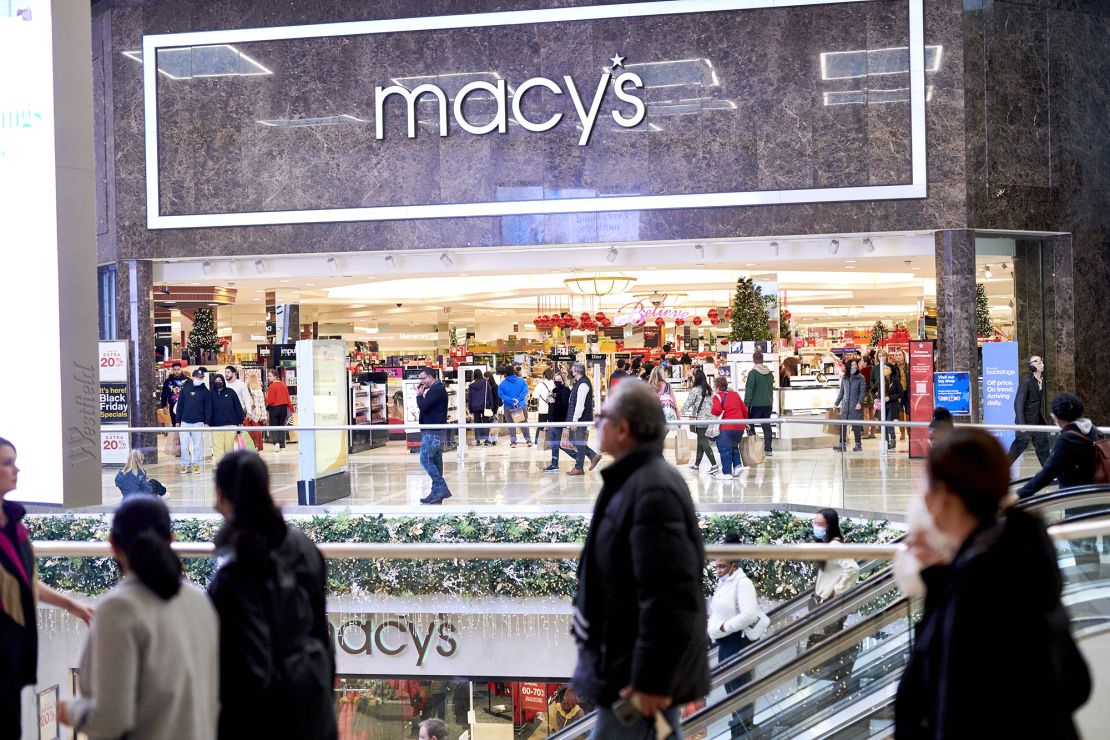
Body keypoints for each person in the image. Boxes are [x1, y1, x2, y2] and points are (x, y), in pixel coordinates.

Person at [894, 429, 1090, 738]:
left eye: (925, 485)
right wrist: (941, 579)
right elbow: (1076, 684)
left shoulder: (978, 583)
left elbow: (945, 706)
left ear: (944, 495)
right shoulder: (1022, 555)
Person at [571, 380, 710, 738]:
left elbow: (669, 594)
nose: (595, 423)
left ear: (623, 428)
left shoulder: (652, 489)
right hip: (627, 666)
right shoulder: (635, 480)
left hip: (636, 676)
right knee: (661, 734)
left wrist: (651, 680)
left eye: (602, 416)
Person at [59, 497, 219, 740]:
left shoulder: (118, 609)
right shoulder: (200, 603)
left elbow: (111, 719)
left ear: (112, 544)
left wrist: (69, 711)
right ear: (170, 540)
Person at [207, 451, 337, 740]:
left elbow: (243, 674)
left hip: (265, 718)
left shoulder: (234, 574)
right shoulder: (303, 546)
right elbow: (322, 633)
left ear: (219, 495)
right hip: (313, 705)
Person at [1, 438, 94, 738]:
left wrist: (71, 605)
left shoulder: (14, 523)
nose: (16, 469)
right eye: (6, 463)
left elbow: (24, 582)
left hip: (13, 650)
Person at [708, 532, 764, 735]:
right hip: (725, 647)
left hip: (737, 644)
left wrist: (724, 627)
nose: (718, 570)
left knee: (740, 694)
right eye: (716, 566)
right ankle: (740, 732)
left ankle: (743, 733)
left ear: (733, 564)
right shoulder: (724, 583)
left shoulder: (743, 583)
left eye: (722, 566)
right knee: (732, 695)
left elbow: (749, 614)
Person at [1017, 392, 1102, 498]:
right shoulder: (1093, 430)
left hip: (1077, 500)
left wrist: (1018, 495)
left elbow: (1048, 473)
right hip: (1099, 494)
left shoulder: (1067, 439)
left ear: (1058, 417)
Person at [416, 368, 452, 505]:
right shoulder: (436, 389)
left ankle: (441, 487)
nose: (421, 382)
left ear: (430, 377)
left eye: (423, 378)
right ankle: (435, 492)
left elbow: (423, 406)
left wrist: (419, 395)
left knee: (425, 459)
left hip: (433, 431)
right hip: (435, 430)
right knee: (436, 462)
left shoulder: (436, 390)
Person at [1007, 355, 1051, 465]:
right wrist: (1021, 424)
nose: (1042, 365)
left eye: (1042, 362)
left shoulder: (1042, 381)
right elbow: (1018, 403)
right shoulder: (1026, 382)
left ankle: (1049, 475)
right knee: (1018, 447)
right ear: (1032, 366)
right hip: (1025, 422)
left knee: (1043, 449)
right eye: (1039, 362)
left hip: (1038, 422)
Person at [812, 509, 860, 603]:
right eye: (815, 523)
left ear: (830, 526)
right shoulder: (828, 544)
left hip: (827, 602)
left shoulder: (834, 545)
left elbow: (853, 568)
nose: (816, 527)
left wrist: (838, 591)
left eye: (820, 524)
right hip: (821, 599)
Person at [563, 362, 601, 476]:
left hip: (580, 418)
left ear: (577, 371)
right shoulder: (579, 383)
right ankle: (593, 456)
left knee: (578, 441)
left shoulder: (583, 384)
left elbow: (580, 405)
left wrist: (575, 421)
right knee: (575, 440)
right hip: (578, 418)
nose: (571, 371)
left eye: (573, 369)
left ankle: (579, 467)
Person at [681, 367, 718, 474]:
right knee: (700, 442)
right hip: (710, 419)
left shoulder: (695, 390)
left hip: (700, 420)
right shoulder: (709, 389)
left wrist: (679, 415)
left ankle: (714, 465)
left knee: (704, 442)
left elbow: (688, 404)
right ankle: (697, 465)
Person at [712, 375, 748, 480]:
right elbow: (744, 409)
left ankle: (726, 473)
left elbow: (717, 411)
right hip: (739, 426)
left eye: (714, 387)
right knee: (733, 446)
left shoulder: (717, 396)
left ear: (717, 387)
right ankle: (737, 466)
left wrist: (713, 409)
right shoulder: (735, 394)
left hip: (726, 426)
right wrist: (746, 422)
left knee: (724, 448)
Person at [177, 368, 212, 474]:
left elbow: (208, 407)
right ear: (193, 377)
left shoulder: (205, 391)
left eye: (201, 377)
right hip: (185, 421)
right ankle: (185, 464)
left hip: (198, 422)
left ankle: (196, 464)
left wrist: (207, 422)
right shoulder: (185, 389)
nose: (199, 379)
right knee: (184, 445)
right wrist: (178, 420)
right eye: (197, 377)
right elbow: (180, 405)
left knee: (197, 445)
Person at [744, 351, 775, 457]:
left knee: (751, 425)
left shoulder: (753, 373)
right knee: (766, 426)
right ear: (762, 360)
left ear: (753, 360)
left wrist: (746, 403)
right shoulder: (769, 373)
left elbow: (749, 390)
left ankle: (754, 449)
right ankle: (768, 449)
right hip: (768, 404)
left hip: (755, 405)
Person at [543, 371, 575, 472]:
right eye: (555, 380)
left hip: (560, 420)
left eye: (558, 380)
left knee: (561, 444)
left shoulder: (566, 391)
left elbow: (565, 406)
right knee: (554, 444)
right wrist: (549, 400)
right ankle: (554, 464)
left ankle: (578, 457)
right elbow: (552, 405)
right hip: (552, 420)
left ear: (563, 381)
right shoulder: (554, 390)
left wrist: (555, 401)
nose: (556, 381)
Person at [870, 351, 902, 451]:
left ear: (891, 370)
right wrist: (874, 398)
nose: (885, 370)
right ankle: (886, 441)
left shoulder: (895, 380)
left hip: (892, 404)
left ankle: (893, 440)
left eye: (887, 368)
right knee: (883, 423)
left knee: (889, 422)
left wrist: (890, 398)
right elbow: (872, 390)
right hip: (882, 405)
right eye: (883, 368)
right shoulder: (880, 379)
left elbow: (900, 394)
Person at [833, 358, 866, 452]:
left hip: (856, 405)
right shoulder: (844, 378)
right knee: (842, 425)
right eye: (852, 365)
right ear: (848, 366)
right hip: (845, 406)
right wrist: (836, 404)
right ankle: (841, 445)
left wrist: (859, 402)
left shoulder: (861, 377)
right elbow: (841, 393)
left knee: (856, 426)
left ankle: (858, 445)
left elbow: (862, 392)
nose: (854, 366)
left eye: (855, 365)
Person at [210, 373, 245, 462]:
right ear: (213, 382)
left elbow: (238, 407)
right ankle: (219, 466)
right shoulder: (210, 394)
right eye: (216, 381)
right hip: (216, 426)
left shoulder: (230, 392)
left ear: (223, 382)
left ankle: (229, 466)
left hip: (231, 424)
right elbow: (207, 409)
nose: (218, 382)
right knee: (217, 447)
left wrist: (240, 421)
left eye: (220, 381)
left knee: (229, 447)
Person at [498, 365, 533, 448]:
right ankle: (528, 440)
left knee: (511, 424)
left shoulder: (502, 384)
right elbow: (525, 390)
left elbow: (500, 394)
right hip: (520, 405)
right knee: (523, 423)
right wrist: (518, 399)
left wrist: (511, 400)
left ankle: (513, 442)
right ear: (514, 372)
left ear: (505, 373)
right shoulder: (521, 381)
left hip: (508, 406)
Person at [264, 368, 293, 449]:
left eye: (270, 376)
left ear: (275, 376)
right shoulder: (283, 385)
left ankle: (276, 444)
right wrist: (291, 408)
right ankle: (282, 444)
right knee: (281, 426)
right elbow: (288, 398)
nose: (268, 377)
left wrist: (265, 398)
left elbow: (271, 400)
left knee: (274, 426)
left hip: (274, 409)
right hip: (283, 408)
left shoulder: (272, 386)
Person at [466, 372, 495, 446]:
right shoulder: (486, 383)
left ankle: (478, 440)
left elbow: (470, 397)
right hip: (485, 406)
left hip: (475, 407)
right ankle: (486, 440)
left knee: (477, 423)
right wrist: (491, 406)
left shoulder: (471, 385)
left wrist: (470, 408)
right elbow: (489, 395)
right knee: (486, 423)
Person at [160, 361, 187, 426]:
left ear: (181, 369)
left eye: (178, 369)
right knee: (175, 424)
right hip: (172, 405)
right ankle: (177, 435)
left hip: (185, 406)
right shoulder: (168, 381)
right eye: (175, 370)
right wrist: (164, 405)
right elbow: (164, 394)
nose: (176, 371)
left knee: (184, 424)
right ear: (172, 370)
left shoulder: (187, 381)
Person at [533, 368, 557, 443]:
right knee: (552, 426)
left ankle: (538, 442)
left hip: (543, 409)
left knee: (541, 425)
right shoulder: (555, 384)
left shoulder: (540, 384)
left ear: (544, 375)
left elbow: (535, 396)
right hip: (553, 409)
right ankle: (553, 441)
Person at [244, 374, 267, 451]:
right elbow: (262, 405)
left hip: (248, 414)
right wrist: (264, 416)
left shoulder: (245, 390)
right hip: (257, 414)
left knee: (249, 432)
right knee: (257, 432)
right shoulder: (259, 391)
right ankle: (256, 446)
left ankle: (249, 446)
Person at [484, 370, 501, 445]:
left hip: (493, 408)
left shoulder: (494, 386)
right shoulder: (488, 386)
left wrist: (495, 411)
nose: (484, 379)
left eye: (485, 377)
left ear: (488, 377)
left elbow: (496, 399)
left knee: (493, 424)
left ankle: (493, 440)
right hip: (489, 408)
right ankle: (490, 439)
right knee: (489, 424)